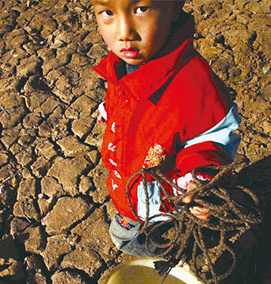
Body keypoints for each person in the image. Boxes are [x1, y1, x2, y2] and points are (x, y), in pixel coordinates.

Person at [92, 0, 241, 257]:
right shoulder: (119, 65)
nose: (124, 31)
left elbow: (212, 140)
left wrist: (199, 182)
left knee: (124, 239)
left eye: (141, 9)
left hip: (165, 193)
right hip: (128, 182)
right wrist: (109, 109)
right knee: (129, 221)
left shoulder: (196, 86)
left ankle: (172, 253)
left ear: (174, 7)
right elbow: (125, 97)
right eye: (108, 12)